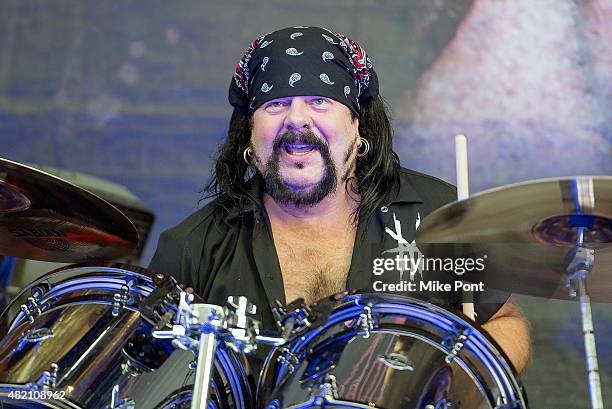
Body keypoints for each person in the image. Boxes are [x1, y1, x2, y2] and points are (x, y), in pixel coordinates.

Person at [149, 26, 531, 375]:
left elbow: (505, 323)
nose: (297, 119)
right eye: (275, 104)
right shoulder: (194, 247)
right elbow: (149, 374)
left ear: (357, 127)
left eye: (319, 100)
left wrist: (452, 381)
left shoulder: (439, 215)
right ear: (249, 135)